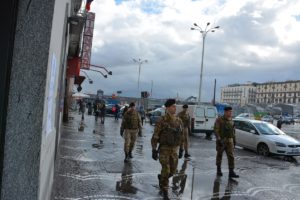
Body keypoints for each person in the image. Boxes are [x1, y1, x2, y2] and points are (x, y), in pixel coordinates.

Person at [151, 99, 184, 199]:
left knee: (172, 171)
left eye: (175, 106)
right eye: (173, 106)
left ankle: (162, 178)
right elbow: (156, 135)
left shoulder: (179, 120)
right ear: (168, 108)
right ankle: (165, 192)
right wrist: (154, 149)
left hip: (174, 149)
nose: (175, 108)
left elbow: (181, 135)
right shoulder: (162, 120)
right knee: (166, 169)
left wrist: (181, 149)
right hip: (164, 149)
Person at [214, 106, 239, 178]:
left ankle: (231, 172)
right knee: (219, 155)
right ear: (225, 112)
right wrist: (219, 139)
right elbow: (216, 130)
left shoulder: (231, 120)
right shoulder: (219, 120)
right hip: (222, 141)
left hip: (230, 141)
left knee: (231, 157)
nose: (231, 113)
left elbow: (233, 132)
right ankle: (218, 169)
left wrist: (234, 141)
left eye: (231, 111)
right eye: (229, 111)